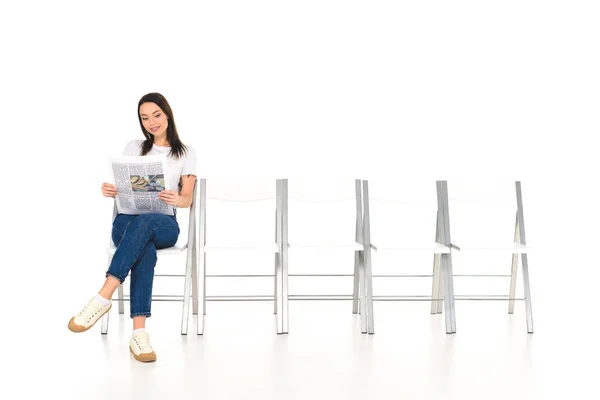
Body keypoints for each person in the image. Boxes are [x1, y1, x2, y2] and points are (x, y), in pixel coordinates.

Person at [68, 93, 197, 363]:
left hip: (163, 222)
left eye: (156, 115)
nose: (151, 122)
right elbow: (123, 187)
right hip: (126, 221)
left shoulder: (185, 153)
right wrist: (111, 190)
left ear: (168, 114)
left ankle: (103, 296)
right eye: (145, 117)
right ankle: (139, 335)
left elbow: (187, 199)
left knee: (147, 222)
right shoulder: (134, 146)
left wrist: (179, 198)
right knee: (144, 248)